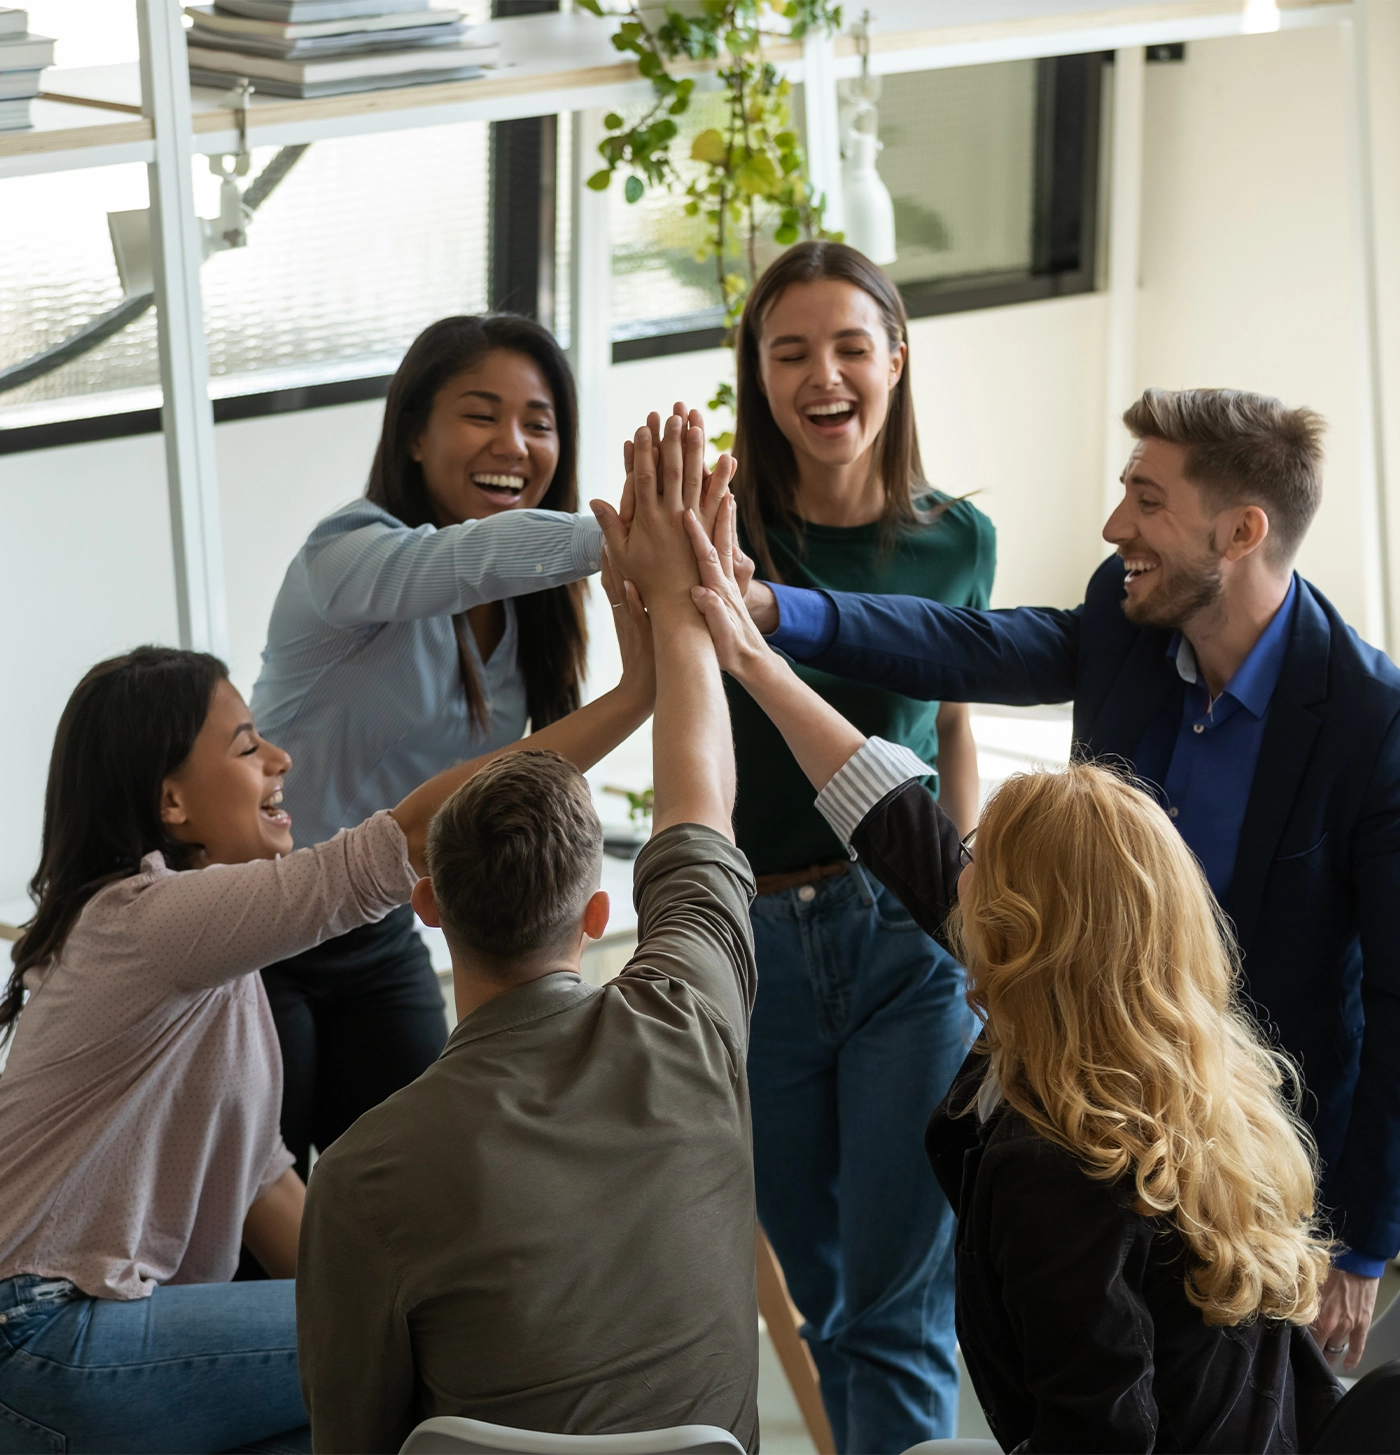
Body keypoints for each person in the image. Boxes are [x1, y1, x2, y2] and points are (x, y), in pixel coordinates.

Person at [736, 385, 1400, 1371]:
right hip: (1091, 1117)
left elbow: (1393, 1002)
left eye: (1145, 498)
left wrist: (1364, 1241)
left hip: (1255, 1153)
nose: (1113, 525)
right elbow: (974, 644)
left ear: (1240, 532)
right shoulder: (1127, 614)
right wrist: (770, 611)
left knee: (1232, 1404)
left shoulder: (1370, 721)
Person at [0, 564, 653, 1455]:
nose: (282, 760)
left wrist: (401, 1284)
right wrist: (637, 696)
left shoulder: (205, 962)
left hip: (65, 1348)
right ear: (171, 802)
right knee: (431, 1329)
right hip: (40, 1333)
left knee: (360, 1413)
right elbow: (414, 835)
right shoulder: (145, 918)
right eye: (246, 748)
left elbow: (265, 1188)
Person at [295, 418, 761, 1455]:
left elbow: (351, 1436)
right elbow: (701, 806)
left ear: (428, 907)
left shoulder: (363, 1172)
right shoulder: (688, 1028)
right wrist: (683, 607)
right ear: (597, 916)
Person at [250, 315, 726, 1185]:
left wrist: (641, 686)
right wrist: (625, 540)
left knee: (421, 1183)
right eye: (481, 413)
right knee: (255, 1202)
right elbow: (462, 561)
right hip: (260, 926)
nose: (513, 444)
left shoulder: (530, 615)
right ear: (413, 434)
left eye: (539, 423)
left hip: (378, 922)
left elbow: (502, 783)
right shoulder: (344, 555)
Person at [722, 240, 994, 1451]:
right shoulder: (720, 531)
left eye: (847, 347)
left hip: (903, 935)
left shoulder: (958, 541)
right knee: (823, 1305)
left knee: (898, 1307)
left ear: (894, 358)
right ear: (758, 375)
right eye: (789, 353)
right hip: (758, 947)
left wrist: (965, 906)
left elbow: (952, 725)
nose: (821, 376)